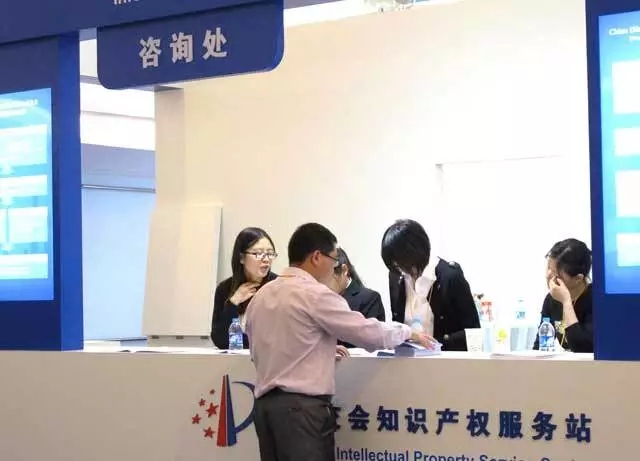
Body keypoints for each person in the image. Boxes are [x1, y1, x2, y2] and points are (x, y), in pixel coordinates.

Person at [245, 223, 434, 461]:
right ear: (316, 257)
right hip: (302, 413)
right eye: (333, 259)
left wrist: (318, 350)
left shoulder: (261, 296)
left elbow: (261, 348)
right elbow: (366, 332)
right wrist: (407, 332)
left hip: (264, 410)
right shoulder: (314, 294)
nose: (334, 267)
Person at [381, 219, 480, 351]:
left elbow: (473, 332)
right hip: (406, 358)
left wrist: (436, 343)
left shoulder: (450, 277)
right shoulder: (396, 276)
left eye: (402, 263)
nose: (399, 269)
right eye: (395, 265)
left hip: (443, 359)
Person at [210, 227, 278, 349]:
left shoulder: (279, 286)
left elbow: (280, 337)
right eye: (258, 253)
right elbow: (220, 340)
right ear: (241, 257)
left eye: (270, 253)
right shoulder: (225, 288)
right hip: (237, 360)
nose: (266, 259)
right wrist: (233, 302)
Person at [533, 238, 593, 353]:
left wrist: (566, 302)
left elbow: (583, 349)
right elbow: (540, 346)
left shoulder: (595, 300)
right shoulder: (551, 299)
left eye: (556, 274)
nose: (548, 276)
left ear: (578, 278)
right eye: (548, 268)